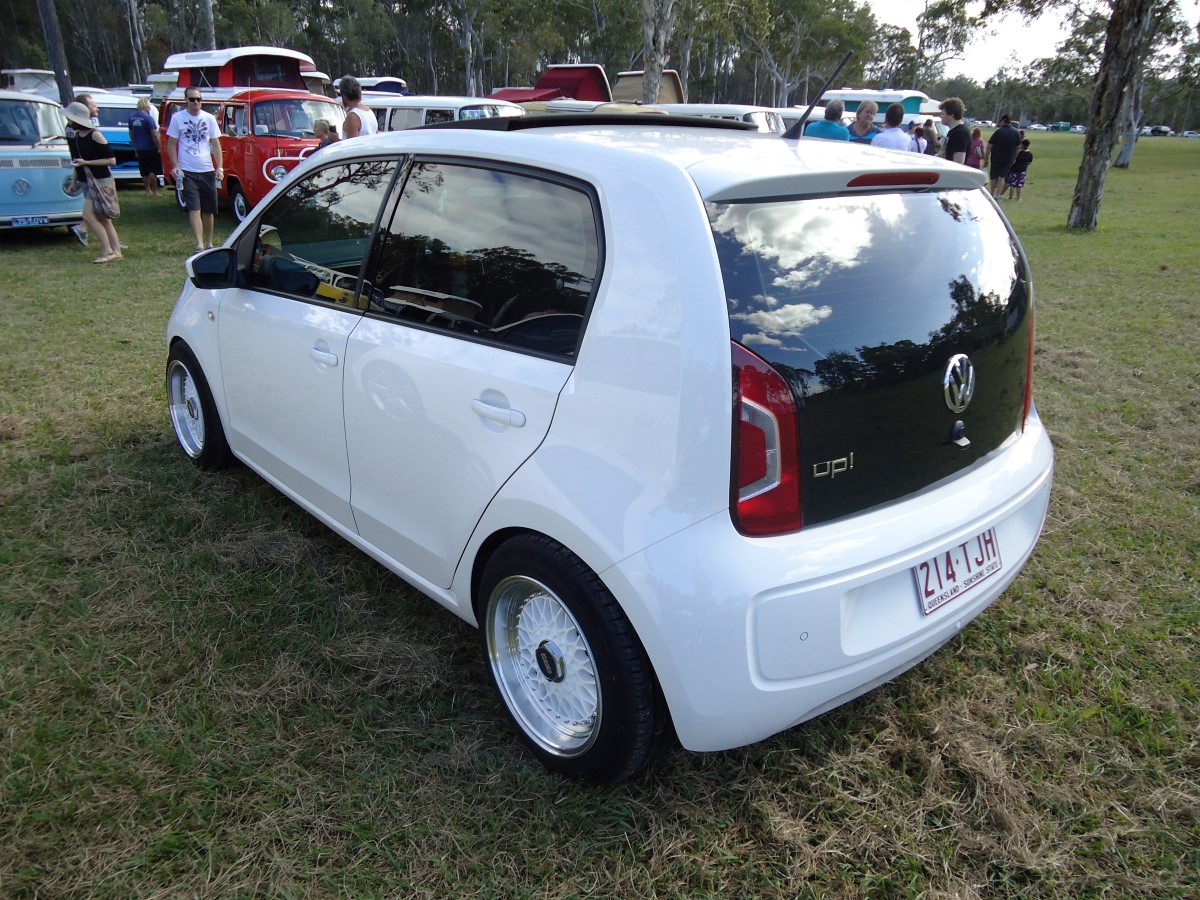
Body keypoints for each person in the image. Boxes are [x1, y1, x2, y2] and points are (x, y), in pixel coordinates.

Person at [64, 101, 123, 263]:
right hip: (86, 181)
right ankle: (116, 252)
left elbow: (111, 160)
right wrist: (74, 181)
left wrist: (87, 163)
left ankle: (107, 251)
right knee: (104, 219)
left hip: (101, 181)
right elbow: (77, 162)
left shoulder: (95, 135)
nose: (68, 121)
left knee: (88, 215)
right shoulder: (76, 137)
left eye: (70, 118)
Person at [167, 88, 224, 253]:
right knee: (194, 208)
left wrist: (219, 167)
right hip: (187, 170)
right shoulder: (178, 118)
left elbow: (216, 144)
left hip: (207, 169)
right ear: (186, 100)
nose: (196, 102)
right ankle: (199, 244)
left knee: (209, 209)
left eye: (199, 99)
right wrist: (175, 166)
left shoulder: (209, 118)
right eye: (192, 99)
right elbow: (171, 144)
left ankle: (209, 243)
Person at [66, 93, 99, 246]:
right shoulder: (74, 130)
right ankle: (82, 228)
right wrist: (75, 180)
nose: (97, 108)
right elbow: (77, 156)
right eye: (93, 105)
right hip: (90, 175)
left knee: (100, 209)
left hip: (92, 174)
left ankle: (112, 241)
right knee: (96, 210)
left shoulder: (87, 127)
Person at [127, 97, 162, 196]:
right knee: (153, 170)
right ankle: (155, 191)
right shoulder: (148, 117)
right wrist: (159, 147)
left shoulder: (131, 117)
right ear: (146, 105)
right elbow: (154, 134)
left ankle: (147, 190)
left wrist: (135, 145)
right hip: (150, 147)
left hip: (140, 148)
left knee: (144, 170)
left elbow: (131, 134)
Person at [983, 114, 1021, 197]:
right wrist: (1014, 158)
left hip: (996, 157)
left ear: (1003, 121)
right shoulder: (1016, 132)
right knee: (1002, 177)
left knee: (994, 176)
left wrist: (986, 158)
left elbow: (989, 146)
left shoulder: (998, 132)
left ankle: (992, 194)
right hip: (1008, 158)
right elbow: (1018, 147)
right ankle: (997, 195)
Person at [939, 97, 970, 165]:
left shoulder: (960, 133)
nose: (940, 116)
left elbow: (958, 163)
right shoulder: (953, 131)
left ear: (951, 115)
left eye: (942, 114)